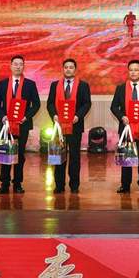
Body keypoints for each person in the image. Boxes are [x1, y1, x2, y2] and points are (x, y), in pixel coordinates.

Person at [0, 55, 41, 194]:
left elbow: (36, 104)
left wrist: (26, 117)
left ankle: (18, 183)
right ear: (11, 66)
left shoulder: (30, 84)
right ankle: (4, 183)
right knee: (5, 153)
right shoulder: (2, 84)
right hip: (6, 125)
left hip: (22, 125)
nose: (18, 66)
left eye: (21, 64)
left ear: (23, 66)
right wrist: (3, 117)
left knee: (19, 154)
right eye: (15, 64)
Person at [46, 58, 92, 194]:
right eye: (66, 67)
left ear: (75, 70)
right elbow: (50, 103)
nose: (68, 69)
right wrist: (54, 115)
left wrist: (78, 116)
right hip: (58, 126)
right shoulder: (55, 85)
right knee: (58, 156)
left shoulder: (83, 85)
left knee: (74, 156)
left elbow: (87, 103)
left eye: (71, 67)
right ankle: (59, 185)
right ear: (63, 69)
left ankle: (74, 185)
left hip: (75, 126)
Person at [110, 60, 139, 194]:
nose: (133, 72)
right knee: (126, 157)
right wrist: (122, 117)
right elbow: (114, 106)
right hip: (126, 128)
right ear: (128, 71)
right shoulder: (121, 88)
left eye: (136, 70)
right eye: (131, 70)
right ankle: (125, 185)